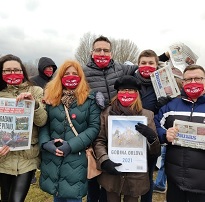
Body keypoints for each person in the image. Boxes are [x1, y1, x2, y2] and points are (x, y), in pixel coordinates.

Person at [83, 36, 169, 202]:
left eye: (106, 50)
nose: (102, 53)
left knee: (138, 188)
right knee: (96, 184)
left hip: (137, 163)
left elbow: (146, 65)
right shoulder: (84, 72)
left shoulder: (120, 69)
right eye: (98, 50)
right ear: (91, 52)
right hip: (99, 125)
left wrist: (165, 55)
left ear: (111, 52)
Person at [39, 60, 101, 202]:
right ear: (60, 76)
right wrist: (45, 143)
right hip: (53, 155)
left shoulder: (89, 99)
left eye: (75, 73)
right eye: (67, 73)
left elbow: (94, 127)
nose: (71, 76)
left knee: (74, 196)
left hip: (77, 156)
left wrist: (72, 145)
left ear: (81, 77)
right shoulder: (51, 98)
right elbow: (43, 123)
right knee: (57, 195)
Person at [93, 75, 161, 202]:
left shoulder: (147, 115)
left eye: (131, 90)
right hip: (112, 171)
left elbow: (154, 151)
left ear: (137, 93)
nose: (126, 93)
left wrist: (152, 137)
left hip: (136, 174)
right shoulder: (106, 113)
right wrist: (104, 160)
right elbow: (99, 140)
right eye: (123, 90)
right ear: (117, 92)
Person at [0, 54, 47, 202]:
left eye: (16, 69)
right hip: (3, 157)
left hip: (27, 157)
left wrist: (34, 105)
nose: (12, 73)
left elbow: (42, 121)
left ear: (23, 71)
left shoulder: (36, 91)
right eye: (7, 70)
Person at [154, 64, 205, 202]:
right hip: (176, 178)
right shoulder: (171, 106)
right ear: (183, 83)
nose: (193, 82)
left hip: (202, 182)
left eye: (197, 78)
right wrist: (165, 135)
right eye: (189, 79)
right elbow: (156, 125)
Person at [135, 49, 165, 202]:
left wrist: (163, 105)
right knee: (130, 176)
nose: (147, 66)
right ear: (138, 64)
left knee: (147, 177)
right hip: (132, 137)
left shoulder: (163, 85)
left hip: (152, 139)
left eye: (151, 63)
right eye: (143, 63)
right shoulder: (130, 81)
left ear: (156, 64)